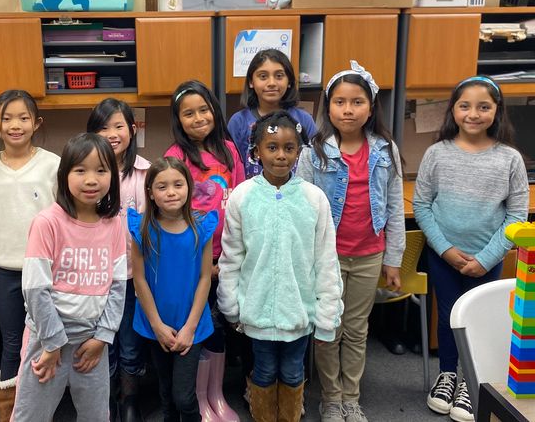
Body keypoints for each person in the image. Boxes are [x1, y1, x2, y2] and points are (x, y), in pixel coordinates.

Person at [414, 76, 528, 422]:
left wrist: (488, 257)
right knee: (448, 316)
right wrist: (446, 249)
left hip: (486, 257)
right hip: (443, 254)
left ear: (497, 111)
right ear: (453, 110)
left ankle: (472, 380)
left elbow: (516, 215)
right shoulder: (437, 153)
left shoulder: (509, 159)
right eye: (465, 106)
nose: (473, 114)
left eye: (484, 107)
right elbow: (422, 205)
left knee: (476, 318)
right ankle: (447, 375)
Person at [296, 61, 405, 422]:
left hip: (369, 253)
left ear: (371, 107)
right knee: (329, 328)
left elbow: (394, 205)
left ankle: (350, 398)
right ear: (327, 106)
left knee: (357, 330)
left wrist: (394, 258)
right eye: (340, 101)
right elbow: (301, 205)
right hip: (326, 256)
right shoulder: (314, 151)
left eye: (357, 101)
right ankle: (330, 396)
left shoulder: (385, 150)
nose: (348, 109)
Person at [218, 110, 344, 422]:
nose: (280, 155)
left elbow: (326, 259)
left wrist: (326, 313)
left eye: (289, 148)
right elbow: (232, 256)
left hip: (298, 311)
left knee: (291, 371)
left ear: (299, 151)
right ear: (256, 151)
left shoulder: (313, 198)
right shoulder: (242, 197)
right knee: (262, 370)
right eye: (272, 147)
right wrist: (231, 306)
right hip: (256, 309)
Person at [11, 133, 127, 422]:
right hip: (48, 341)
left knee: (96, 415)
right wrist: (52, 344)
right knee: (31, 415)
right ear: (64, 175)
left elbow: (118, 286)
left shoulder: (114, 224)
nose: (92, 179)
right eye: (81, 170)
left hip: (91, 342)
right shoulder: (47, 223)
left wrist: (103, 337)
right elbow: (36, 289)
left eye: (101, 170)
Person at [0, 89, 60, 421]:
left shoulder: (53, 164)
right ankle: (11, 412)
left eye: (23, 117)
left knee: (53, 336)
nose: (15, 125)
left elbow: (63, 215)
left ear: (36, 123)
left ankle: (47, 404)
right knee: (14, 341)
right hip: (8, 271)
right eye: (6, 118)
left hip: (50, 270)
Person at [165, 80, 243, 421]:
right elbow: (172, 216)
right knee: (199, 326)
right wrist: (201, 265)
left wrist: (233, 257)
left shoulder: (228, 149)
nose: (198, 118)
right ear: (178, 120)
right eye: (188, 113)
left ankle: (216, 396)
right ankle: (198, 399)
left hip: (227, 257)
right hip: (194, 262)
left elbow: (240, 199)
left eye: (203, 110)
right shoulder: (175, 156)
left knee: (220, 326)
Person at [128, 156, 218, 422]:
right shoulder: (141, 227)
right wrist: (156, 325)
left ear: (188, 188)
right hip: (156, 324)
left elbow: (205, 277)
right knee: (166, 393)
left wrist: (190, 328)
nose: (171, 192)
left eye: (178, 184)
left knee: (183, 396)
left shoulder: (201, 226)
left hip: (192, 324)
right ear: (151, 193)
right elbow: (140, 279)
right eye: (162, 186)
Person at [87, 97, 150, 422]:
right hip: (95, 278)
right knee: (101, 341)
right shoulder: (87, 175)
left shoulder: (144, 173)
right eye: (102, 126)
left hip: (129, 276)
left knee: (129, 341)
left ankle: (129, 401)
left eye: (118, 126)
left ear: (132, 129)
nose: (111, 133)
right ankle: (106, 401)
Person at [227, 49, 316, 179]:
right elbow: (234, 166)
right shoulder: (239, 121)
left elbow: (315, 161)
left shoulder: (303, 119)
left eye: (279, 76)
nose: (272, 83)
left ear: (289, 81)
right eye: (263, 76)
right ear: (251, 82)